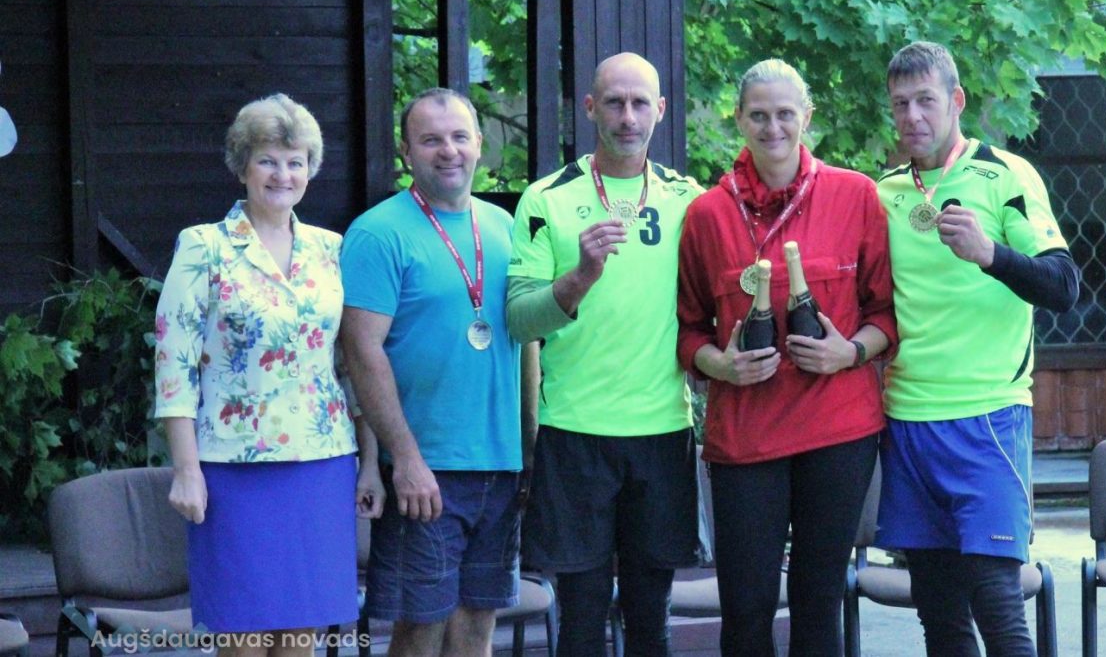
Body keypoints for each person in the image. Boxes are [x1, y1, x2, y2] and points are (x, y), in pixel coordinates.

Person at [677, 59, 896, 656]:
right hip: (745, 436)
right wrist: (720, 365)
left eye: (784, 114)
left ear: (807, 117)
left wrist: (849, 351)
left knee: (818, 602)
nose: (772, 127)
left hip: (838, 431)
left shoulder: (856, 195)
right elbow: (688, 331)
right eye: (758, 115)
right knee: (746, 609)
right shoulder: (707, 214)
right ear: (738, 120)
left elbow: (886, 314)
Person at [874, 41, 1080, 657]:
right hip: (908, 420)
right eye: (901, 104)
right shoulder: (883, 192)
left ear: (957, 101)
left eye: (926, 101)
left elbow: (1064, 286)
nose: (913, 116)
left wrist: (990, 254)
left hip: (988, 417)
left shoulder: (1006, 175)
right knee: (938, 617)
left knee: (997, 606)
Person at [506, 52, 703, 656]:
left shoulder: (689, 199)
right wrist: (580, 277)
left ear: (661, 110)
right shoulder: (545, 198)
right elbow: (518, 320)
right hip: (575, 433)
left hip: (662, 429)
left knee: (651, 620)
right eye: (614, 102)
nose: (628, 116)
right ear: (588, 109)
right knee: (582, 619)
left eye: (640, 103)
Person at [154, 93, 358, 655]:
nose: (282, 174)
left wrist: (369, 463)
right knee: (242, 637)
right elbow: (173, 365)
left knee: (301, 638)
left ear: (310, 169)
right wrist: (186, 470)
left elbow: (351, 362)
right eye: (268, 160)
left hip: (321, 463)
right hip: (233, 469)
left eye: (295, 161)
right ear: (242, 166)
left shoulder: (331, 249)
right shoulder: (203, 246)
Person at [339, 88, 537, 657]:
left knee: (477, 627)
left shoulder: (504, 226)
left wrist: (529, 449)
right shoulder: (377, 233)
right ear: (406, 152)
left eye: (458, 137)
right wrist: (403, 459)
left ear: (479, 146)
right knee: (419, 629)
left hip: (499, 465)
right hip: (425, 467)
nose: (447, 151)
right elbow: (362, 352)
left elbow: (527, 338)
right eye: (430, 140)